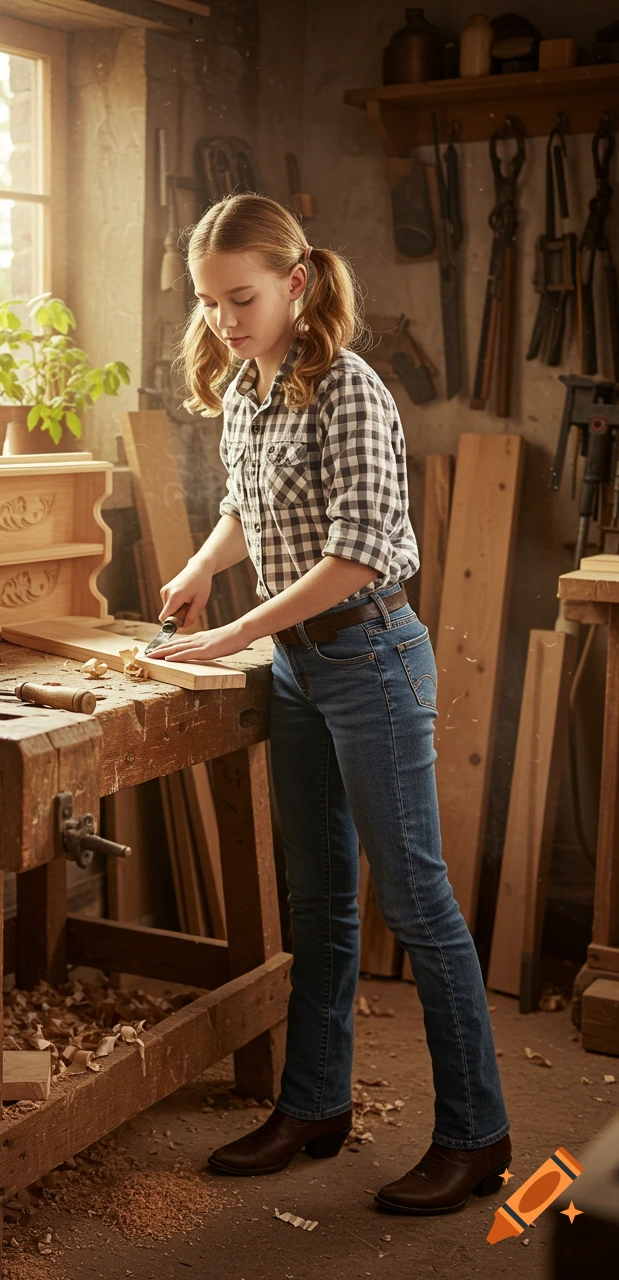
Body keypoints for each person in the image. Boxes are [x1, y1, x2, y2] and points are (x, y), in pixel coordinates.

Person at [149, 192, 511, 1215]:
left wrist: (226, 633)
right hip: (299, 668)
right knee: (315, 896)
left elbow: (353, 555)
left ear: (295, 282)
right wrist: (197, 568)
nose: (223, 319)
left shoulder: (346, 387)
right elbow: (245, 506)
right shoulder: (249, 386)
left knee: (415, 901)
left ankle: (476, 1131)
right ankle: (312, 1104)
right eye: (208, 302)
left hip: (368, 657)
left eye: (242, 297)